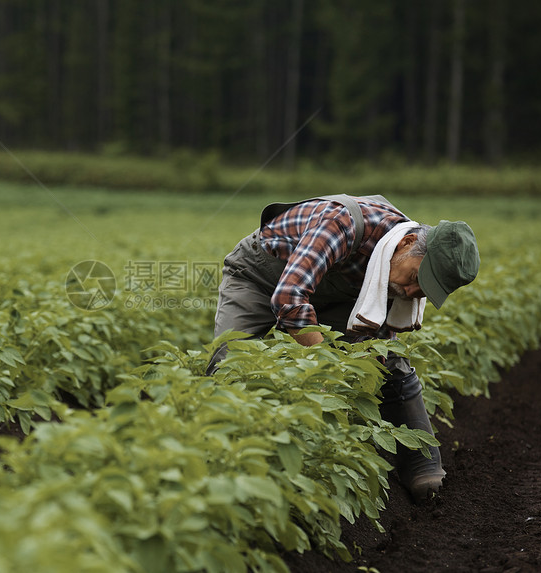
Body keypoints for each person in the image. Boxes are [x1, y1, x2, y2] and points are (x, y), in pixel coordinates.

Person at [205, 194, 480, 501]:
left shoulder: (395, 260)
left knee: (386, 361)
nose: (412, 292)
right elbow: (290, 298)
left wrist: (361, 373)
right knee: (232, 363)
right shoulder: (344, 224)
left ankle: (422, 466)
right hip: (259, 276)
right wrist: (328, 372)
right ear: (407, 243)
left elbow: (380, 339)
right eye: (416, 278)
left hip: (329, 294)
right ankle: (216, 460)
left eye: (423, 291)